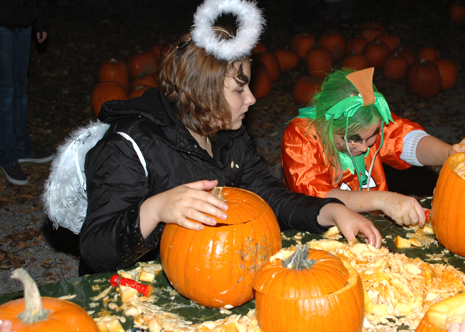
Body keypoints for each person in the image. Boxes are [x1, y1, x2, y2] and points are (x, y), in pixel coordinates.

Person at [77, 0, 382, 275]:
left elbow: (269, 197)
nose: (251, 99)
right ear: (202, 91)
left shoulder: (228, 134)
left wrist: (331, 211)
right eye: (239, 90)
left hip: (213, 269)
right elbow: (95, 251)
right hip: (137, 284)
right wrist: (154, 209)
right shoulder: (129, 145)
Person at [281, 67, 465, 228]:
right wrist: (383, 199)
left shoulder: (372, 124)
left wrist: (451, 153)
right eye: (353, 139)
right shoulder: (301, 135)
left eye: (372, 136)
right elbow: (318, 198)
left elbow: (406, 140)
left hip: (371, 225)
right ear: (326, 125)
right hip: (316, 231)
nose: (364, 147)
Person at [0, 0, 54, 186]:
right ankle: (6, 157)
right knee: (4, 91)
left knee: (20, 89)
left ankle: (21, 148)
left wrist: (39, 20)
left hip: (23, 22)